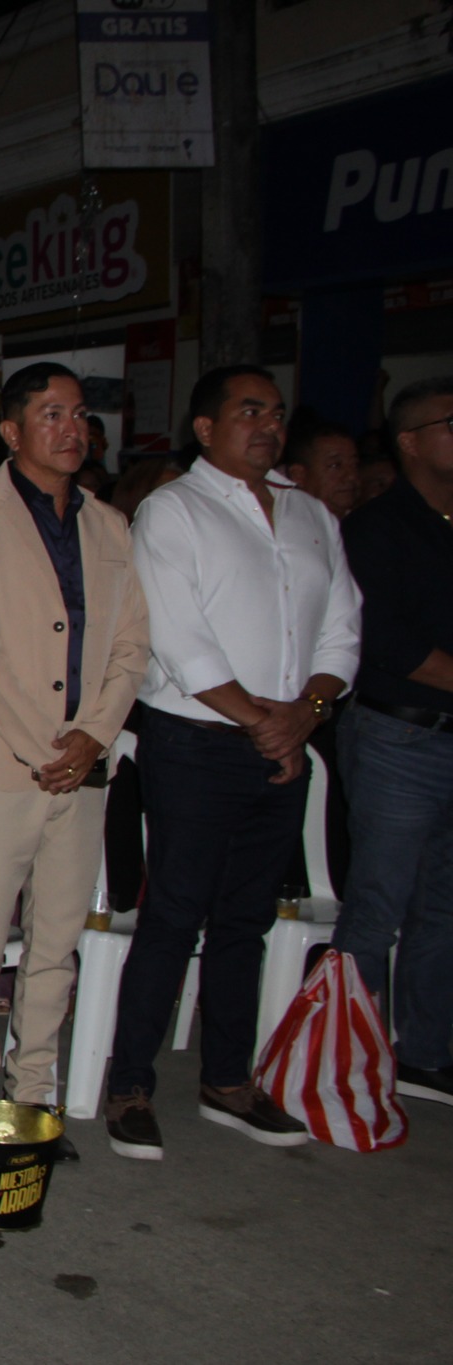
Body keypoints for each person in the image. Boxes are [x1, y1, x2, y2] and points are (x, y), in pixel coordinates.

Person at [104, 365, 361, 1159]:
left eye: (277, 413)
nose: (268, 426)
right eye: (249, 411)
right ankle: (129, 1084)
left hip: (284, 737)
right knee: (175, 911)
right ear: (206, 428)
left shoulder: (310, 513)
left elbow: (342, 626)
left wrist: (304, 714)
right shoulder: (173, 510)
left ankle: (226, 1079)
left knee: (248, 916)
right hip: (197, 741)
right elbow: (180, 637)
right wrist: (266, 722)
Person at [0, 364, 149, 1154]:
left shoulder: (109, 525)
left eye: (80, 414)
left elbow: (132, 645)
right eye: (51, 413)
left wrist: (93, 736)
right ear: (11, 431)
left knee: (58, 939)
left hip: (82, 767)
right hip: (2, 762)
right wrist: (46, 746)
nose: (71, 428)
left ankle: (33, 1093)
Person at [330, 376, 453, 1104]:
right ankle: (350, 1058)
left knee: (445, 906)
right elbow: (385, 640)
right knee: (377, 904)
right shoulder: (378, 527)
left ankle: (425, 1050)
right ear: (410, 441)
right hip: (398, 738)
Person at [282, 415, 361, 520]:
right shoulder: (284, 524)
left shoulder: (368, 522)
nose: (351, 476)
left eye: (354, 464)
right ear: (298, 475)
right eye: (335, 465)